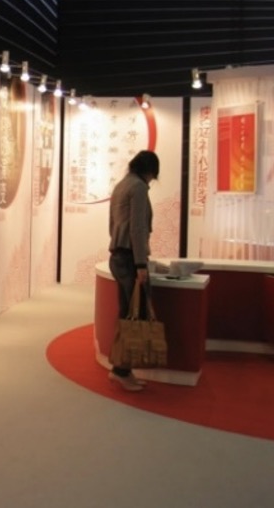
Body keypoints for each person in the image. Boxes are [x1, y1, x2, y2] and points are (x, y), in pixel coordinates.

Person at [107, 150, 159, 392]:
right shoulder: (138, 187)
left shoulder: (121, 185)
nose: (152, 181)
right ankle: (121, 371)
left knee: (126, 313)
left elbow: (112, 225)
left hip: (118, 256)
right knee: (134, 316)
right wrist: (140, 264)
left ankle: (121, 368)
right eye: (153, 176)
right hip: (130, 259)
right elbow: (138, 228)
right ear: (150, 171)